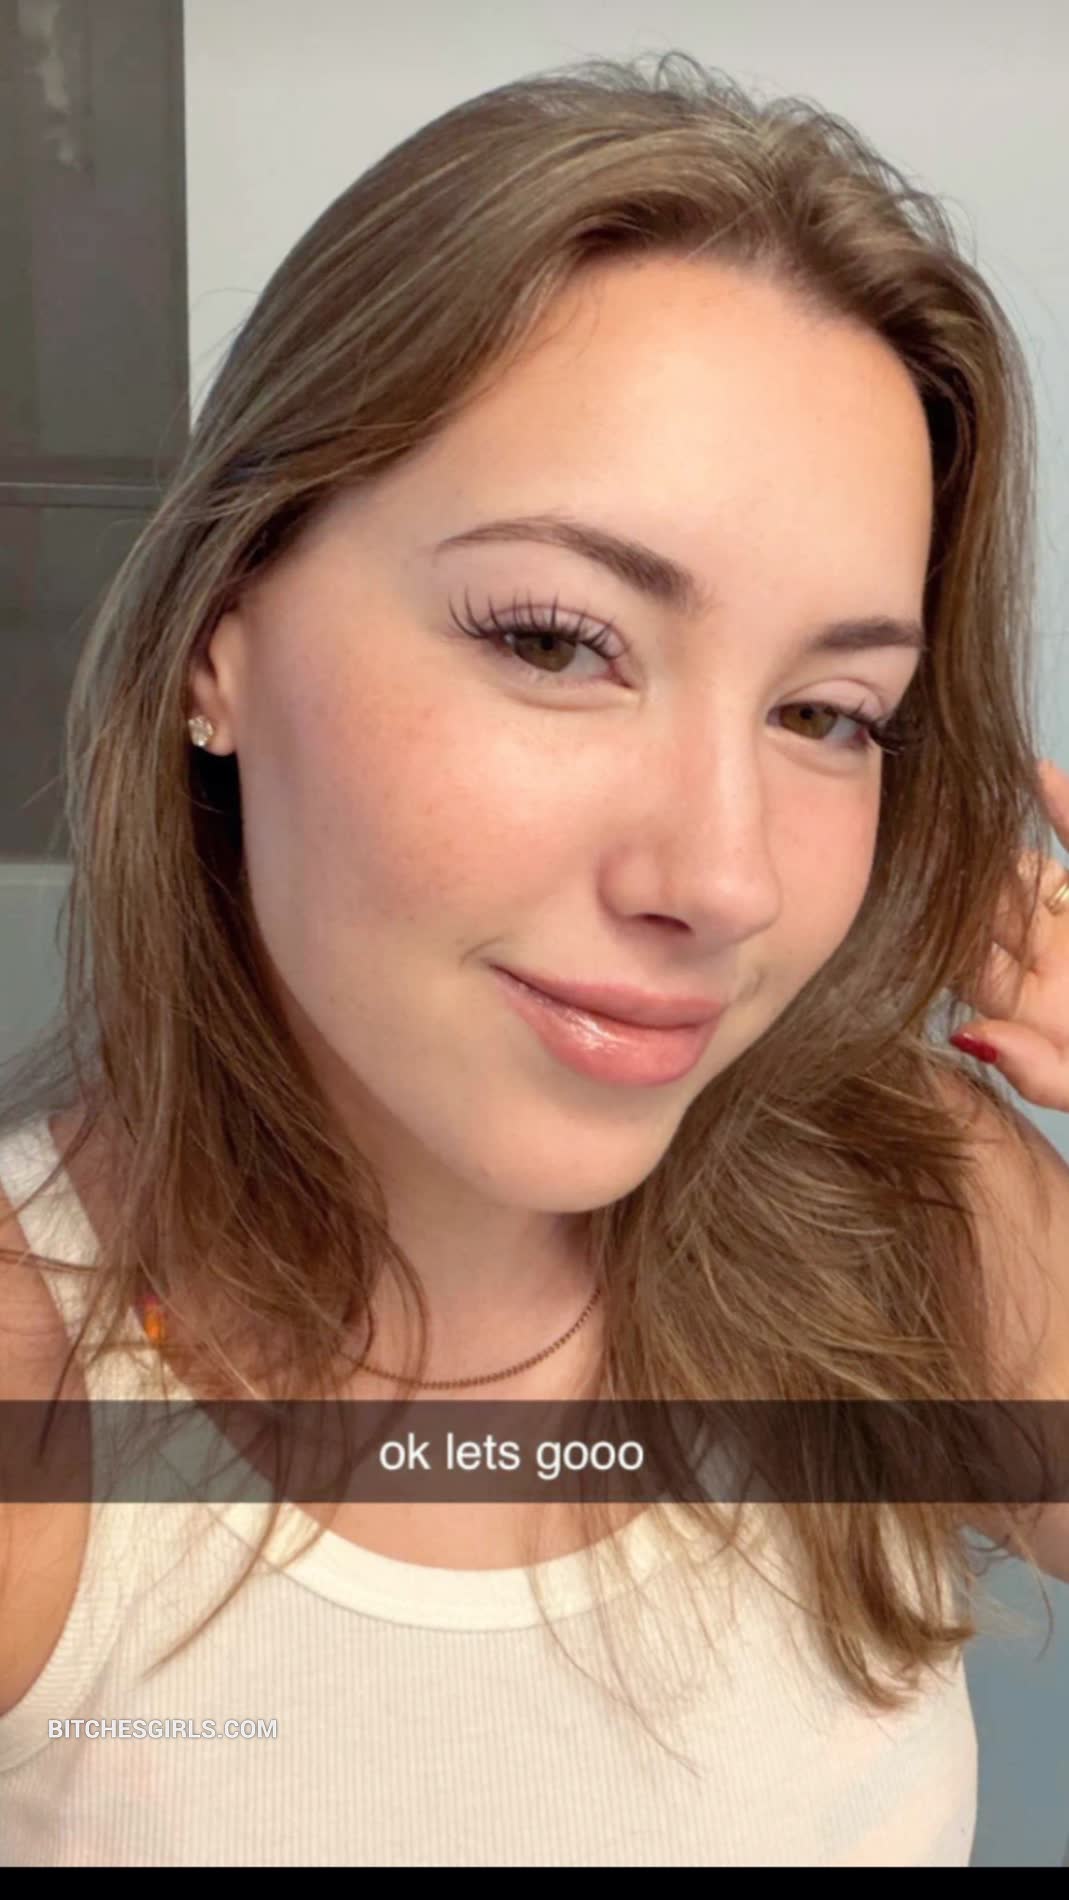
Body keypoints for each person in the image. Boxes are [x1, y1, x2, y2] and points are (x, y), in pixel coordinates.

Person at [1, 48, 1066, 1867]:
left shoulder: (908, 1212)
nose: (722, 879)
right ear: (217, 643)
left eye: (827, 712)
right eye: (558, 641)